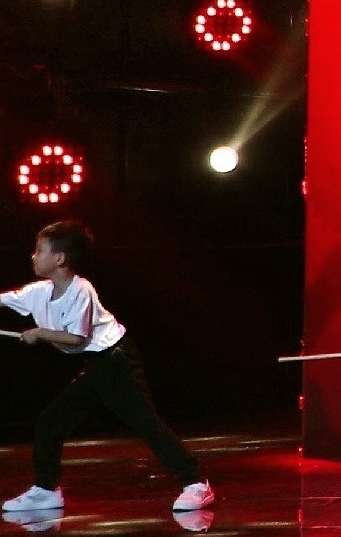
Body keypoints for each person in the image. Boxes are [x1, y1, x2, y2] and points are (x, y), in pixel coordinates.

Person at [1, 221, 211, 521]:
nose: (33, 256)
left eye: (39, 250)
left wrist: (40, 333)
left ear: (60, 258)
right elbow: (5, 300)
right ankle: (46, 489)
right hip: (97, 364)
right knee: (50, 421)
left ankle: (196, 482)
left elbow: (77, 337)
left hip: (116, 361)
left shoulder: (81, 290)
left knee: (144, 422)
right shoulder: (38, 292)